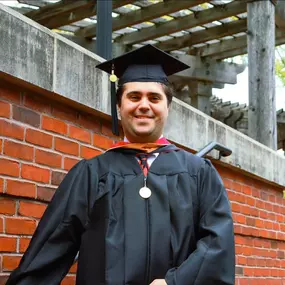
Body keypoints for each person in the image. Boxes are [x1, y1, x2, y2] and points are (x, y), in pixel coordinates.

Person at [6, 45, 235, 285]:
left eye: (154, 98)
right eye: (134, 97)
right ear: (119, 106)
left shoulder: (199, 173)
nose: (144, 105)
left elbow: (218, 243)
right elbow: (50, 249)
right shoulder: (91, 174)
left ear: (168, 107)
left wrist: (176, 282)